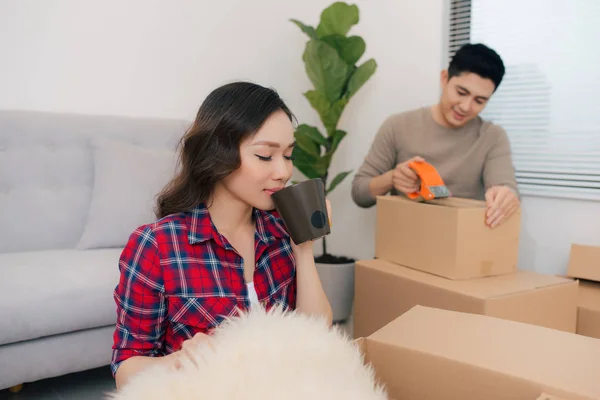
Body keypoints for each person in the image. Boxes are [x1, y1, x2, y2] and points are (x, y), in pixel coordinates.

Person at [111, 81, 333, 389]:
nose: (283, 171)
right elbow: (126, 369)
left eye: (288, 155)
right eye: (266, 156)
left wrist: (304, 249)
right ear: (219, 154)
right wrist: (180, 361)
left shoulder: (280, 231)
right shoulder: (157, 246)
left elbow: (316, 337)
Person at [351, 43, 520, 228]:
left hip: (462, 245)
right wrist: (392, 178)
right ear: (444, 78)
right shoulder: (398, 126)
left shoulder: (492, 137)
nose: (465, 106)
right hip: (404, 243)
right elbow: (359, 194)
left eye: (479, 101)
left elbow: (505, 185)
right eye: (461, 92)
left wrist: (505, 196)